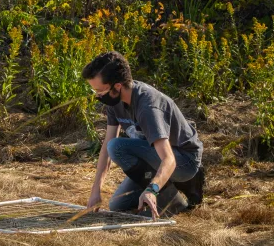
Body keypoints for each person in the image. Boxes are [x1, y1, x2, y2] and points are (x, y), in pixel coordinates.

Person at [83, 52, 205, 218]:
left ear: (117, 86)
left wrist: (152, 190)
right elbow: (106, 145)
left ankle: (172, 199)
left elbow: (169, 159)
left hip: (183, 161)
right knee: (118, 204)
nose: (97, 96)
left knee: (117, 147)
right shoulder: (114, 101)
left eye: (99, 91)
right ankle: (166, 189)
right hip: (153, 157)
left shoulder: (148, 107)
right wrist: (96, 190)